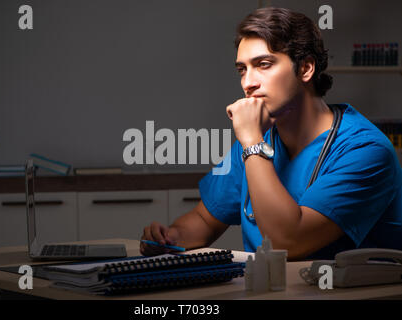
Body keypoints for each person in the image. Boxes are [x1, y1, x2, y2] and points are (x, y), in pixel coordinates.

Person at [140, 7, 402, 260]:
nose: (248, 83)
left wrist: (253, 142)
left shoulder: (365, 150)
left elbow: (287, 242)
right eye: (242, 69)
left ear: (305, 69)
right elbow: (205, 219)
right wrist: (169, 238)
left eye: (263, 64)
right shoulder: (260, 137)